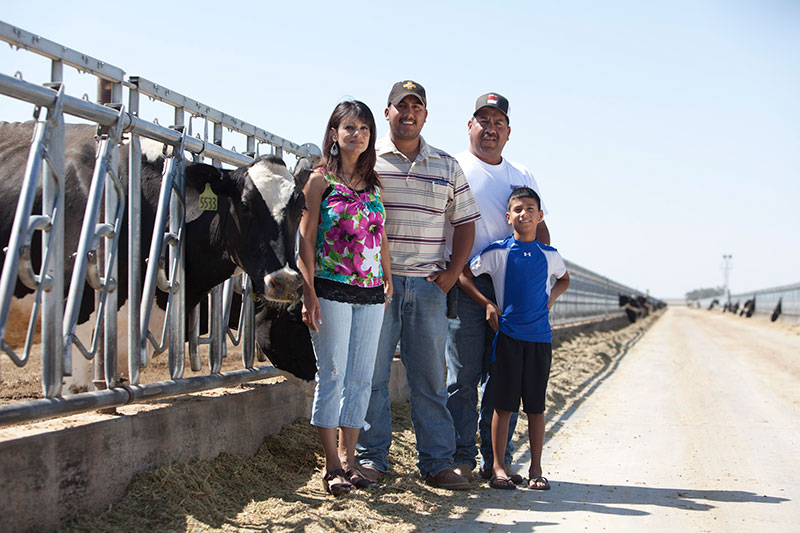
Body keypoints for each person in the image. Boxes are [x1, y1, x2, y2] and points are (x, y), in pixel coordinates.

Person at [355, 80, 480, 490]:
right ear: (387, 112)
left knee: (429, 378)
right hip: (377, 288)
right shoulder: (368, 162)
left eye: (417, 106)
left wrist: (448, 277)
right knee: (372, 376)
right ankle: (372, 459)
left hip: (428, 287)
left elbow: (464, 223)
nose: (408, 113)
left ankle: (437, 463)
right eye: (400, 106)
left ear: (425, 115)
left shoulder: (446, 165)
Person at [446, 92, 551, 482]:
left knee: (501, 378)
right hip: (467, 282)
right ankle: (460, 456)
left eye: (498, 123)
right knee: (462, 374)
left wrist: (540, 291)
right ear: (469, 126)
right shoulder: (454, 166)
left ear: (508, 131)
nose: (490, 129)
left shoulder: (521, 175)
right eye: (483, 120)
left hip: (513, 291)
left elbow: (540, 234)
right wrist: (463, 284)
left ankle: (497, 461)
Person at [298, 100, 393, 496]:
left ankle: (351, 461)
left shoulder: (373, 185)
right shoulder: (319, 180)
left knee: (361, 379)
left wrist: (388, 278)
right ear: (334, 134)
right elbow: (304, 238)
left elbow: (380, 234)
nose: (357, 134)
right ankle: (331, 465)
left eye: (365, 129)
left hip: (371, 293)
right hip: (331, 288)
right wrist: (308, 292)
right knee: (333, 376)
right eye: (349, 127)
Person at [458, 187, 569, 490]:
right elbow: (465, 275)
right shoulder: (499, 251)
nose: (524, 214)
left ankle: (536, 469)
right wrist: (487, 304)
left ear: (540, 216)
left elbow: (564, 279)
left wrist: (550, 301)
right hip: (508, 338)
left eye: (530, 209)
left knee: (535, 407)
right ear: (508, 217)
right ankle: (497, 467)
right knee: (502, 405)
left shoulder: (550, 255)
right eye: (518, 209)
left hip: (540, 340)